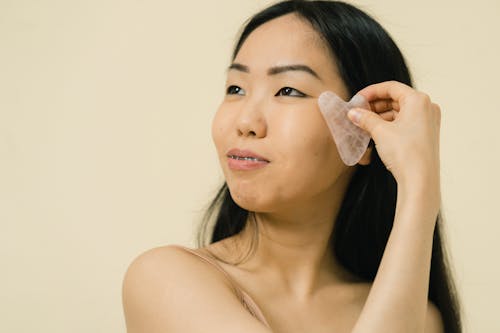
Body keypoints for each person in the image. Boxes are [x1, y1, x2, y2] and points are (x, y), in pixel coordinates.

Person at [122, 1, 462, 332]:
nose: (245, 121)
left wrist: (418, 184)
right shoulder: (164, 278)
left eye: (288, 90)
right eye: (235, 88)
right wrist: (421, 190)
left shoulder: (416, 315)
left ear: (363, 133)